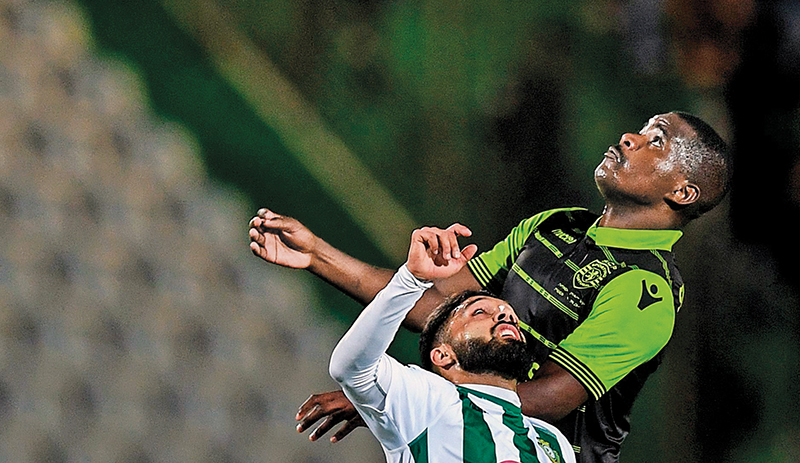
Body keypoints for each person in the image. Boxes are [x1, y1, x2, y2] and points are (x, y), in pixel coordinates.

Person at [250, 111, 731, 463]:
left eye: (656, 141)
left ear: (682, 193)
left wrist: (406, 398)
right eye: (641, 130)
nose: (629, 137)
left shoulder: (646, 292)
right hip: (471, 438)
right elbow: (440, 310)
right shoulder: (553, 225)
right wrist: (317, 255)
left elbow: (547, 399)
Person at [329, 222, 579, 463]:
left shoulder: (553, 442)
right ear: (443, 356)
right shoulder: (429, 401)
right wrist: (411, 280)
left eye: (511, 317)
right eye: (479, 312)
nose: (505, 315)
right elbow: (352, 370)